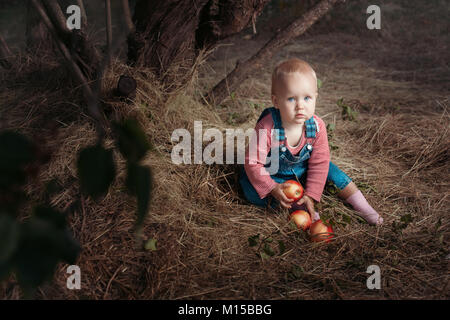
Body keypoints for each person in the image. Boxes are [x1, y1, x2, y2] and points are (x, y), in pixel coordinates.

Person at [239, 58, 383, 226]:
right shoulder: (267, 126)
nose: (300, 106)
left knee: (329, 169)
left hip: (302, 171)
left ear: (315, 98)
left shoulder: (317, 126)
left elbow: (319, 163)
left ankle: (364, 207)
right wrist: (272, 187)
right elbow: (253, 163)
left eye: (307, 98)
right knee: (256, 193)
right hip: (271, 176)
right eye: (291, 99)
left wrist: (312, 194)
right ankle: (297, 208)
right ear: (276, 101)